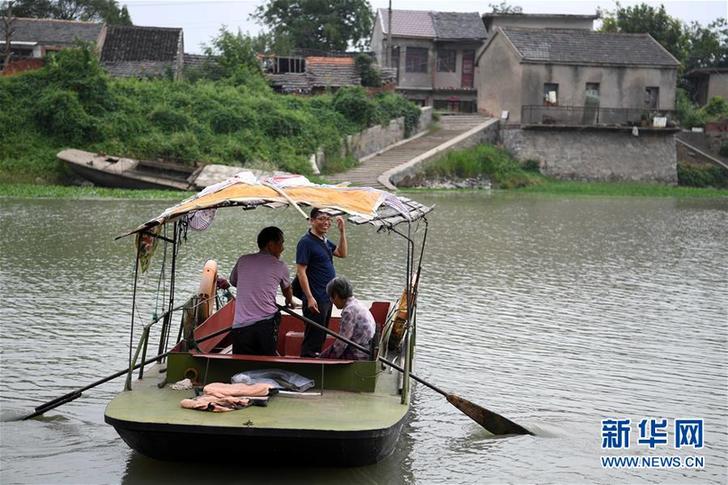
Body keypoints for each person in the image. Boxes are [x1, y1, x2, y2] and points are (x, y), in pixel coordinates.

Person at [229, 226, 294, 355]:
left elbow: (234, 281)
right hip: (265, 325)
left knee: (241, 368)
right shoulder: (280, 266)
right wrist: (289, 300)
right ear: (270, 245)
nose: (283, 248)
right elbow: (287, 290)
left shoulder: (243, 260)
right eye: (281, 243)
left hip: (240, 327)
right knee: (266, 365)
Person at [296, 208, 347, 357]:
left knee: (321, 336)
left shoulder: (323, 241)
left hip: (326, 298)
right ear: (311, 221)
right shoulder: (306, 242)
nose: (326, 222)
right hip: (315, 299)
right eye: (322, 219)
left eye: (328, 219)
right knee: (313, 339)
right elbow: (301, 271)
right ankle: (308, 367)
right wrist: (310, 298)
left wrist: (342, 232)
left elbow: (342, 253)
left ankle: (315, 367)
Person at [320, 277, 375, 360]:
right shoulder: (357, 304)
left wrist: (322, 357)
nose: (331, 301)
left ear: (336, 295)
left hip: (360, 354)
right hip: (367, 348)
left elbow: (341, 344)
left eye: (331, 297)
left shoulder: (349, 311)